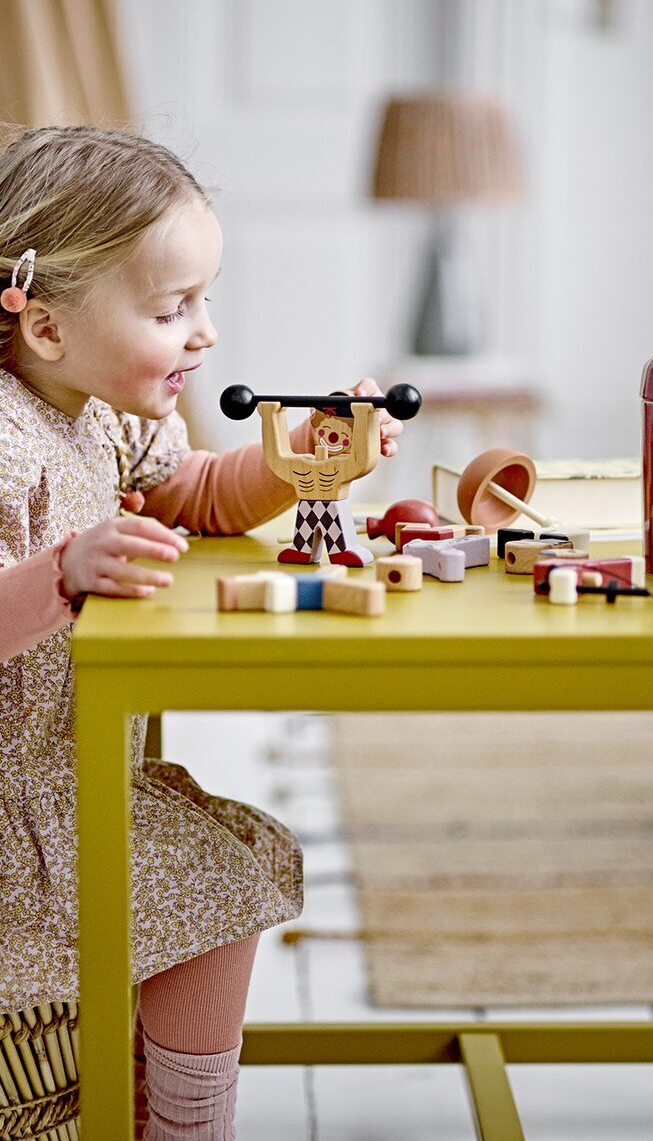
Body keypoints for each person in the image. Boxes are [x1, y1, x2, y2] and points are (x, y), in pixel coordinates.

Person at [0, 125, 403, 1138]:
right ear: (46, 327)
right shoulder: (7, 444)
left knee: (225, 869)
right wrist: (62, 572)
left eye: (204, 300)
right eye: (173, 308)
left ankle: (145, 1111)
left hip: (77, 778)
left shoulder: (105, 412)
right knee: (218, 893)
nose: (206, 333)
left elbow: (198, 495)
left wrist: (306, 459)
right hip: (16, 820)